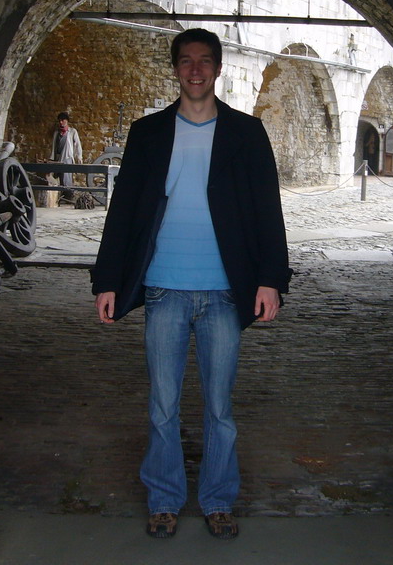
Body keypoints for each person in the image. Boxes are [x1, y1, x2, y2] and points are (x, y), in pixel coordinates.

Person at [92, 28, 291, 541]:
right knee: (162, 405)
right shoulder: (149, 133)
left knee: (220, 408)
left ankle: (218, 499)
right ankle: (163, 498)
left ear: (218, 69)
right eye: (186, 61)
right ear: (176, 69)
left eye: (205, 61)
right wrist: (108, 279)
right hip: (163, 290)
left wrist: (270, 279)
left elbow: (269, 212)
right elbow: (124, 211)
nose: (196, 70)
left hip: (225, 291)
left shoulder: (246, 134)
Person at [51, 112, 83, 196]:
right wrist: (52, 159)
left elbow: (77, 145)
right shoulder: (56, 133)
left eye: (63, 120)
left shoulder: (72, 132)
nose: (61, 122)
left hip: (68, 158)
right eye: (60, 121)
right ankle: (61, 196)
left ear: (67, 121)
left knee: (67, 179)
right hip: (58, 159)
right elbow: (54, 146)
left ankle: (68, 196)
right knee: (59, 178)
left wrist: (79, 157)